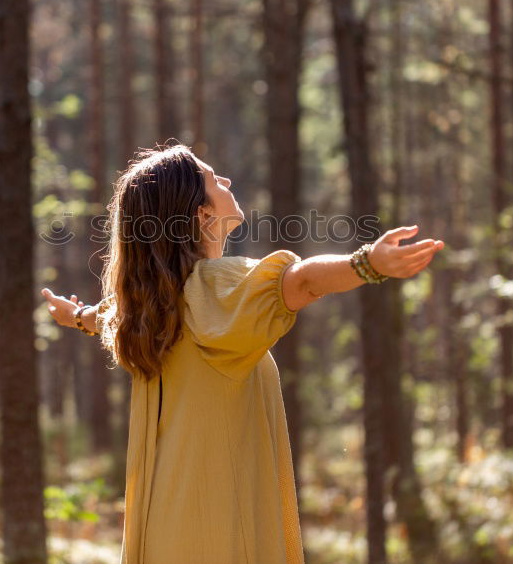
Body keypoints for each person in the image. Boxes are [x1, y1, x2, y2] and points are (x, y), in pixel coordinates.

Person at [41, 142, 444, 563]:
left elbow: (102, 317)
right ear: (202, 214)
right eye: (214, 180)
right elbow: (302, 281)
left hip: (165, 526)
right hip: (217, 531)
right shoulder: (214, 288)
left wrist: (75, 315)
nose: (227, 181)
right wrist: (367, 263)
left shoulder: (146, 308)